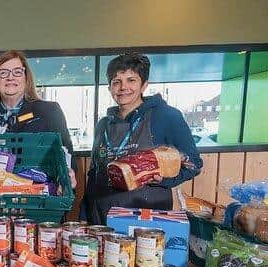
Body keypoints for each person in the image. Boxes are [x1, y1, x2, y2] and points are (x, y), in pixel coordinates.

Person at [82, 53, 203, 225]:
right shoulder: (103, 124)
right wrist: (85, 213)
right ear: (109, 87)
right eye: (117, 82)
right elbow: (94, 172)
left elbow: (194, 164)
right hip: (102, 217)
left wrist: (165, 180)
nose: (123, 87)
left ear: (144, 85)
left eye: (131, 80)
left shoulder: (166, 116)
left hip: (146, 218)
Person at [0, 50, 77, 187]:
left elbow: (66, 153)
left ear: (26, 79)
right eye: (3, 73)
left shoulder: (49, 111)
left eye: (17, 72)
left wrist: (69, 176)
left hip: (37, 199)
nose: (10, 77)